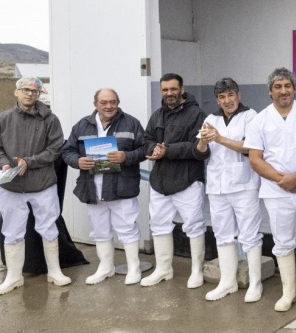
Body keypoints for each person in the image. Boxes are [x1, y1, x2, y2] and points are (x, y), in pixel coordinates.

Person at [244, 67, 296, 312]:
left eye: (287, 86)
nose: (283, 91)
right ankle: (289, 292)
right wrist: (283, 180)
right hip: (276, 191)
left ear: (294, 89)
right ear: (270, 92)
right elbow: (255, 159)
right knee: (282, 241)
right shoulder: (260, 120)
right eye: (277, 87)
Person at [61, 88, 146, 285]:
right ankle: (105, 267)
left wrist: (126, 156)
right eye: (104, 102)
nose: (109, 106)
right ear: (95, 104)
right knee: (99, 230)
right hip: (92, 187)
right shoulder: (82, 125)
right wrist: (78, 161)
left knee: (127, 227)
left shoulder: (131, 123)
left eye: (113, 102)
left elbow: (145, 149)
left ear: (118, 102)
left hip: (122, 187)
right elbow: (68, 151)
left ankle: (134, 268)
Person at [0, 77, 71, 294]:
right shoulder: (4, 119)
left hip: (43, 184)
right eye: (25, 90)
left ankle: (54, 271)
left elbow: (55, 149)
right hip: (12, 186)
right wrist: (4, 164)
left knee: (48, 228)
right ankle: (13, 276)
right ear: (16, 92)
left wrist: (29, 162)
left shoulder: (50, 119)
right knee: (12, 231)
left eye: (35, 91)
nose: (30, 94)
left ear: (40, 94)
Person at [140, 73, 210, 289]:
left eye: (173, 89)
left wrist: (166, 150)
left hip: (188, 180)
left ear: (181, 89)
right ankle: (163, 269)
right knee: (159, 224)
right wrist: (153, 149)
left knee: (194, 225)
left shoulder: (197, 114)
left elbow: (197, 147)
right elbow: (146, 140)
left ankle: (197, 270)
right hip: (160, 181)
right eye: (165, 90)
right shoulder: (156, 115)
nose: (169, 93)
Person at [199, 78, 264, 302]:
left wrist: (219, 138)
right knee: (222, 234)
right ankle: (228, 282)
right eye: (222, 97)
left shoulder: (251, 116)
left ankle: (255, 283)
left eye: (230, 95)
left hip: (244, 185)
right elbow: (201, 152)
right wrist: (203, 142)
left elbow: (249, 147)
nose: (227, 100)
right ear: (217, 99)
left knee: (249, 235)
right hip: (217, 186)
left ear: (239, 95)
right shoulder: (210, 118)